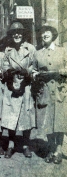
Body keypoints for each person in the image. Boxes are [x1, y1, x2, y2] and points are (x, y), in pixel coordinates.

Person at [32, 25, 67, 164]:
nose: (44, 34)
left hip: (60, 92)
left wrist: (58, 73)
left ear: (53, 34)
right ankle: (51, 150)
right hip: (44, 91)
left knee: (59, 122)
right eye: (42, 33)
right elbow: (33, 69)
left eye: (47, 32)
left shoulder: (62, 51)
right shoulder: (37, 53)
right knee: (47, 123)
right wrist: (35, 74)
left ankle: (58, 151)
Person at [1, 21, 36, 158]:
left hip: (26, 87)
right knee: (11, 117)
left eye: (19, 32)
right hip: (11, 87)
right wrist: (10, 72)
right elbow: (4, 67)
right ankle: (11, 145)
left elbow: (34, 66)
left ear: (23, 34)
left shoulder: (30, 49)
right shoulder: (8, 50)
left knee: (25, 116)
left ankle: (26, 145)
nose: (17, 35)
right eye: (14, 33)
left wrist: (27, 72)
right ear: (11, 35)